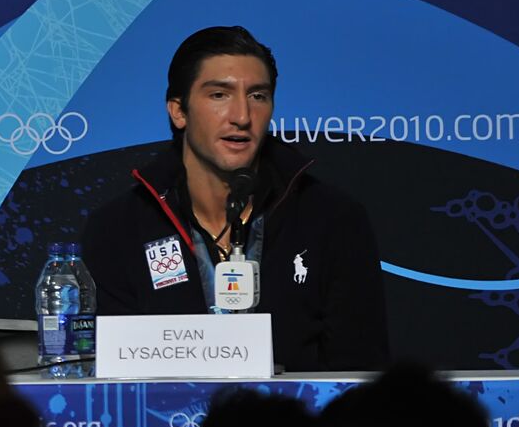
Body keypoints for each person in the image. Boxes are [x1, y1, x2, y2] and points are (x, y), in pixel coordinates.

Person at [80, 25, 389, 371]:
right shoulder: (117, 229)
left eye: (258, 96)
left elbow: (359, 374)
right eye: (219, 95)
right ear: (178, 111)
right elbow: (113, 381)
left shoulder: (333, 220)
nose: (242, 116)